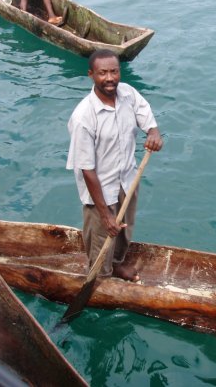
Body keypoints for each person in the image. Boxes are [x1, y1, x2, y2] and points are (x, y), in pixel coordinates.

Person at [67, 50, 163, 282]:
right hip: (100, 189)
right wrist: (105, 214)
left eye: (114, 71)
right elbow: (87, 169)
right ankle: (101, 277)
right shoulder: (83, 117)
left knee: (124, 231)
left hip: (127, 180)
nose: (109, 78)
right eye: (103, 73)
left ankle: (117, 264)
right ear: (91, 75)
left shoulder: (128, 93)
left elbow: (144, 114)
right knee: (102, 237)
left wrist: (153, 132)